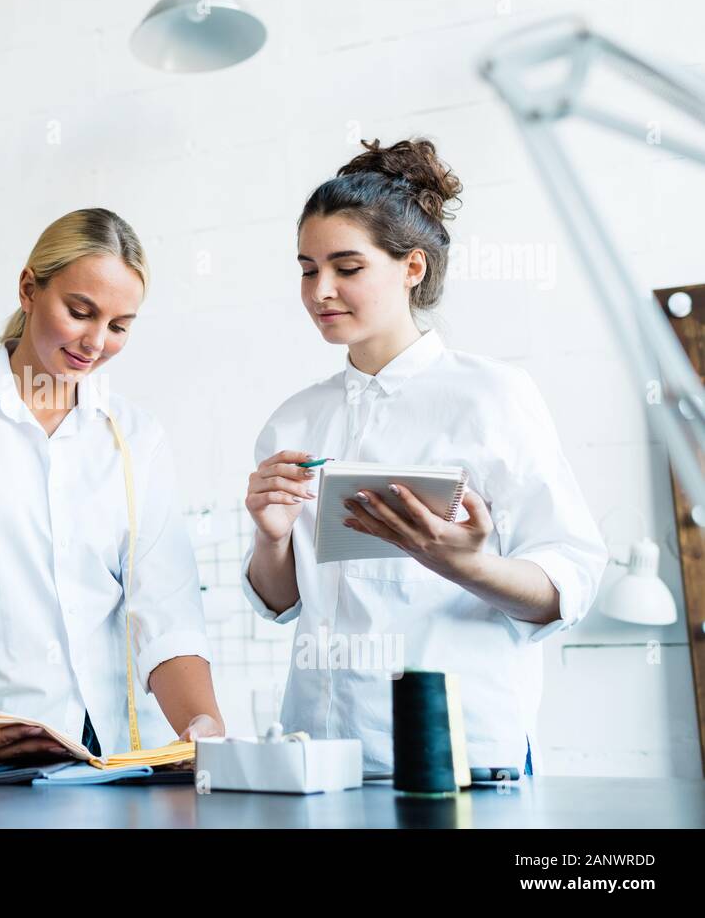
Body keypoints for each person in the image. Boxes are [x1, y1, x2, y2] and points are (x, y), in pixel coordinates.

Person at [241, 139, 607, 774]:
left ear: (412, 267)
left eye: (347, 268)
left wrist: (465, 565)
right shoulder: (294, 419)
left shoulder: (491, 396)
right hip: (320, 757)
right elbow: (283, 602)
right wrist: (271, 539)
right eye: (307, 269)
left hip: (461, 755)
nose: (321, 291)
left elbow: (565, 585)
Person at [0, 207, 223, 763]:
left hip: (107, 752)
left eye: (118, 326)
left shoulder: (137, 437)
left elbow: (165, 606)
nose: (95, 342)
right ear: (28, 289)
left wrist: (202, 722)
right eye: (80, 312)